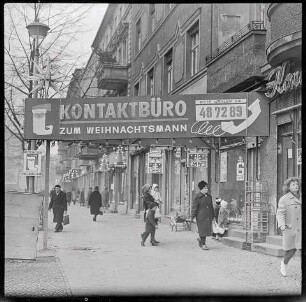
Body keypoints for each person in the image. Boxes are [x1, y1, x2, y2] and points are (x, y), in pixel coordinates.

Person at [276, 177, 301, 277]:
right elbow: (280, 213)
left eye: (297, 184)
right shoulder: (284, 199)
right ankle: (284, 264)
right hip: (291, 229)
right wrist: (281, 225)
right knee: (291, 251)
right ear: (288, 187)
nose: (296, 186)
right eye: (293, 184)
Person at [191, 180, 215, 250]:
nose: (206, 189)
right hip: (200, 216)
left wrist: (213, 216)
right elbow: (194, 207)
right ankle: (203, 244)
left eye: (207, 188)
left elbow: (211, 207)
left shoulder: (209, 196)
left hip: (208, 216)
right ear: (201, 189)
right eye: (205, 188)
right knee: (203, 230)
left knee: (206, 230)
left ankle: (200, 239)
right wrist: (193, 217)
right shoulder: (197, 197)